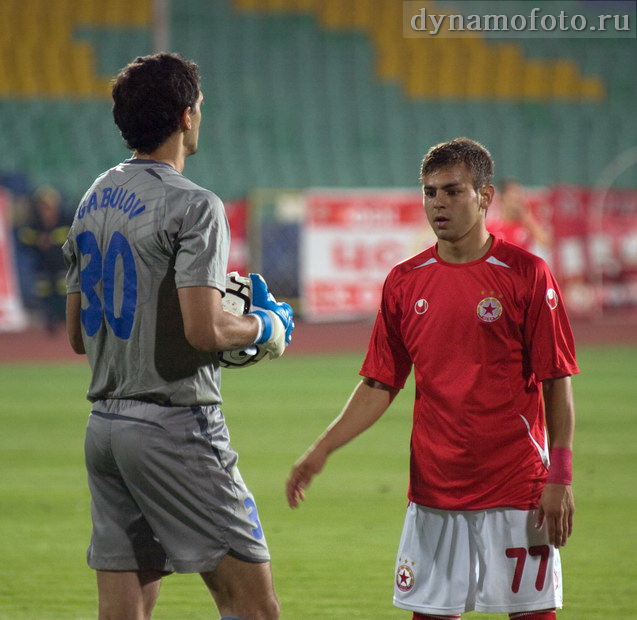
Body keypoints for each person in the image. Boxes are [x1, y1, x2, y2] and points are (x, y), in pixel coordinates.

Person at [287, 138, 577, 620]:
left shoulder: (528, 274)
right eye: (429, 192)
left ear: (484, 197)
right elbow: (379, 383)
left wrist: (560, 476)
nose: (437, 203)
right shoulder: (405, 281)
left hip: (516, 487)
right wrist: (321, 450)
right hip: (434, 491)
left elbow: (556, 381)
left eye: (452, 191)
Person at [63, 53, 293, 620]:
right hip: (174, 424)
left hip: (105, 431)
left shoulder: (92, 200)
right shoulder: (196, 205)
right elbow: (205, 328)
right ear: (188, 116)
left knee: (125, 610)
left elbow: (75, 335)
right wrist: (267, 327)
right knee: (252, 605)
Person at [18, 185, 70, 333]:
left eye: (47, 206)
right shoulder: (33, 222)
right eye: (42, 206)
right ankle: (50, 321)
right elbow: (24, 237)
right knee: (44, 292)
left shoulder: (65, 217)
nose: (45, 210)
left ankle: (65, 321)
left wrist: (51, 239)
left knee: (63, 290)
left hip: (61, 263)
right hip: (42, 264)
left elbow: (72, 234)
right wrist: (38, 239)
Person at [490, 178, 552, 253]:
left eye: (518, 200)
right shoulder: (492, 228)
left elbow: (546, 242)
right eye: (512, 199)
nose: (516, 204)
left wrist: (528, 220)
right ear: (502, 199)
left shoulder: (526, 224)